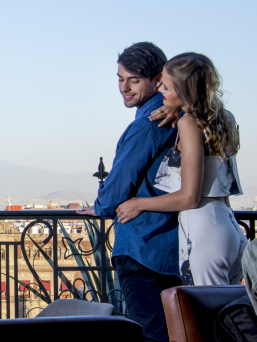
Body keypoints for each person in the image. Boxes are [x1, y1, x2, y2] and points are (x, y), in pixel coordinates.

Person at [77, 42, 181, 342]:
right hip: (173, 246)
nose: (124, 87)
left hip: (142, 246)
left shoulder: (148, 125)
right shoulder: (178, 115)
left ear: (156, 79)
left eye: (133, 80)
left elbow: (117, 187)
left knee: (151, 334)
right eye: (120, 79)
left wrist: (100, 206)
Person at [115, 52, 247, 286]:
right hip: (229, 224)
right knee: (227, 311)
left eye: (165, 86)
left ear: (182, 89)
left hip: (203, 227)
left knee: (207, 315)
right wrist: (179, 109)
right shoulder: (224, 117)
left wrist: (137, 203)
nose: (160, 91)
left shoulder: (188, 123)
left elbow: (189, 197)